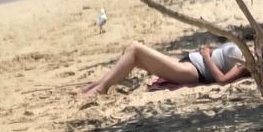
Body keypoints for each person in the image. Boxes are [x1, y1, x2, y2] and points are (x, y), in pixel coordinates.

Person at [80, 38, 250, 95]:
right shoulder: (249, 50)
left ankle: (100, 89)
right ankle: (95, 86)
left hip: (195, 71)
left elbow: (222, 80)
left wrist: (206, 56)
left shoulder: (248, 61)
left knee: (135, 49)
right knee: (132, 53)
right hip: (191, 61)